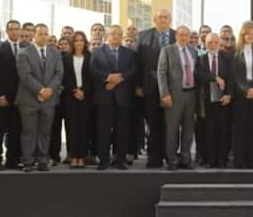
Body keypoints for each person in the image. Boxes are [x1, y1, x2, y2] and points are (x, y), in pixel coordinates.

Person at [15, 23, 64, 172]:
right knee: (29, 132)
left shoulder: (55, 52)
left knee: (45, 131)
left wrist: (49, 90)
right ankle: (28, 161)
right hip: (29, 99)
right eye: (40, 34)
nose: (43, 36)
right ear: (34, 35)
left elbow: (59, 73)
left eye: (45, 33)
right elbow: (25, 75)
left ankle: (43, 160)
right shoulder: (24, 52)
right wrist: (41, 90)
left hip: (49, 99)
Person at [91, 25, 137, 170]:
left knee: (122, 131)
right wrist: (108, 78)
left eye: (118, 34)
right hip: (104, 96)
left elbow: (133, 70)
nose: (115, 36)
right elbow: (93, 70)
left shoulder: (129, 52)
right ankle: (103, 159)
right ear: (107, 35)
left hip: (123, 98)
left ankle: (120, 159)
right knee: (103, 131)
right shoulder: (97, 51)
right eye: (112, 34)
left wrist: (119, 79)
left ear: (122, 36)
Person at [133, 9, 175, 168]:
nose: (163, 20)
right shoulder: (143, 36)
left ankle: (170, 156)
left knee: (170, 124)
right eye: (160, 17)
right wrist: (138, 85)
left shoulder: (177, 35)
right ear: (155, 20)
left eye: (166, 17)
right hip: (150, 87)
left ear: (170, 20)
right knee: (153, 123)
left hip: (172, 89)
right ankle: (154, 157)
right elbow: (136, 62)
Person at [157, 25, 200, 170]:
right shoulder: (167, 50)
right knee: (172, 129)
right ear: (176, 36)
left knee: (188, 129)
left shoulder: (194, 51)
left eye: (186, 35)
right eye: (181, 35)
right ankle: (172, 160)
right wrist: (164, 94)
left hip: (191, 95)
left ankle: (185, 159)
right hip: (174, 95)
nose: (184, 37)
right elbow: (161, 73)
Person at [230, 21, 253, 168]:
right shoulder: (235, 51)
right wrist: (246, 89)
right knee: (241, 127)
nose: (250, 36)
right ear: (242, 35)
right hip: (241, 94)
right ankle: (241, 161)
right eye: (247, 34)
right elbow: (235, 74)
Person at [195, 32, 232, 168]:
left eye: (216, 42)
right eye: (210, 42)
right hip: (207, 101)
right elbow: (198, 74)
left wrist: (229, 95)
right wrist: (214, 78)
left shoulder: (227, 58)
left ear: (220, 43)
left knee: (223, 131)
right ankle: (211, 160)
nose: (213, 45)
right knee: (209, 132)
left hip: (224, 100)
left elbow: (232, 78)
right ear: (205, 44)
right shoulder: (201, 59)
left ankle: (222, 160)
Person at [0, 20, 23, 170]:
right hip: (3, 96)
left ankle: (12, 160)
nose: (14, 32)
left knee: (15, 129)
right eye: (11, 29)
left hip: (20, 96)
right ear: (7, 31)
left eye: (16, 29)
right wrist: (1, 95)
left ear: (20, 30)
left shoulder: (26, 48)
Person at [62, 31, 92, 169]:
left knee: (84, 127)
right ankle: (73, 156)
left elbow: (92, 77)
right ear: (72, 43)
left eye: (81, 40)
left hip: (86, 96)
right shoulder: (66, 58)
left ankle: (82, 157)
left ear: (85, 42)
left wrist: (83, 90)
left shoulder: (91, 57)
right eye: (76, 40)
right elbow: (64, 77)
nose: (79, 43)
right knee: (72, 127)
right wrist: (75, 90)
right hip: (70, 96)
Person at [49, 37, 71, 164]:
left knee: (70, 127)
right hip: (55, 97)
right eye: (60, 44)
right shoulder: (54, 58)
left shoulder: (72, 58)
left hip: (69, 97)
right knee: (55, 127)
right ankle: (54, 155)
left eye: (66, 43)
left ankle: (71, 153)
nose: (63, 46)